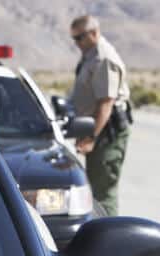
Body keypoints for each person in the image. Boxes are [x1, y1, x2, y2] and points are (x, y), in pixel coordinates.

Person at [69, 15, 132, 216]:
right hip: (98, 130)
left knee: (104, 194)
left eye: (80, 38)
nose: (77, 43)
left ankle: (111, 242)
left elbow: (106, 104)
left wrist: (91, 137)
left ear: (94, 33)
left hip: (107, 132)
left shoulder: (104, 58)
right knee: (95, 189)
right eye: (74, 39)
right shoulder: (90, 55)